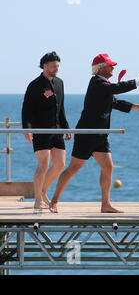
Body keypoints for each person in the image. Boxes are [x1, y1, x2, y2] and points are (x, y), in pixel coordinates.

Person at [49, 53, 139, 213]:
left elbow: (114, 102)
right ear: (101, 68)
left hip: (100, 135)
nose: (113, 67)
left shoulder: (103, 85)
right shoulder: (97, 83)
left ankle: (105, 204)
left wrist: (136, 106)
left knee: (108, 167)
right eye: (110, 65)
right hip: (86, 134)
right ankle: (54, 201)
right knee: (73, 168)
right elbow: (117, 89)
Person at [21, 51, 72, 209]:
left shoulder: (60, 83)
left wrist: (66, 127)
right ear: (45, 66)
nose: (56, 69)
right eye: (53, 66)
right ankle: (37, 201)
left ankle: (43, 191)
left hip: (57, 131)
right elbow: (27, 109)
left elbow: (61, 108)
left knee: (60, 164)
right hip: (41, 131)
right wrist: (28, 129)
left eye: (58, 66)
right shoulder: (35, 85)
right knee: (43, 164)